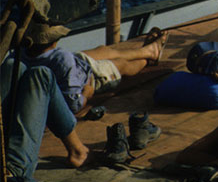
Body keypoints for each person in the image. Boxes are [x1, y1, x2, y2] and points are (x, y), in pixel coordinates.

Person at [2, 57, 90, 182]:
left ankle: (77, 150)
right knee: (41, 76)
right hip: (9, 175)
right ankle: (77, 150)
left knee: (13, 66)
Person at [21, 25, 167, 116]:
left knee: (103, 50)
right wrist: (87, 93)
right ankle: (147, 59)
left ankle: (147, 50)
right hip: (91, 78)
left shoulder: (23, 55)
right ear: (54, 41)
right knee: (122, 65)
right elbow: (73, 105)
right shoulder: (62, 59)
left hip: (76, 66)